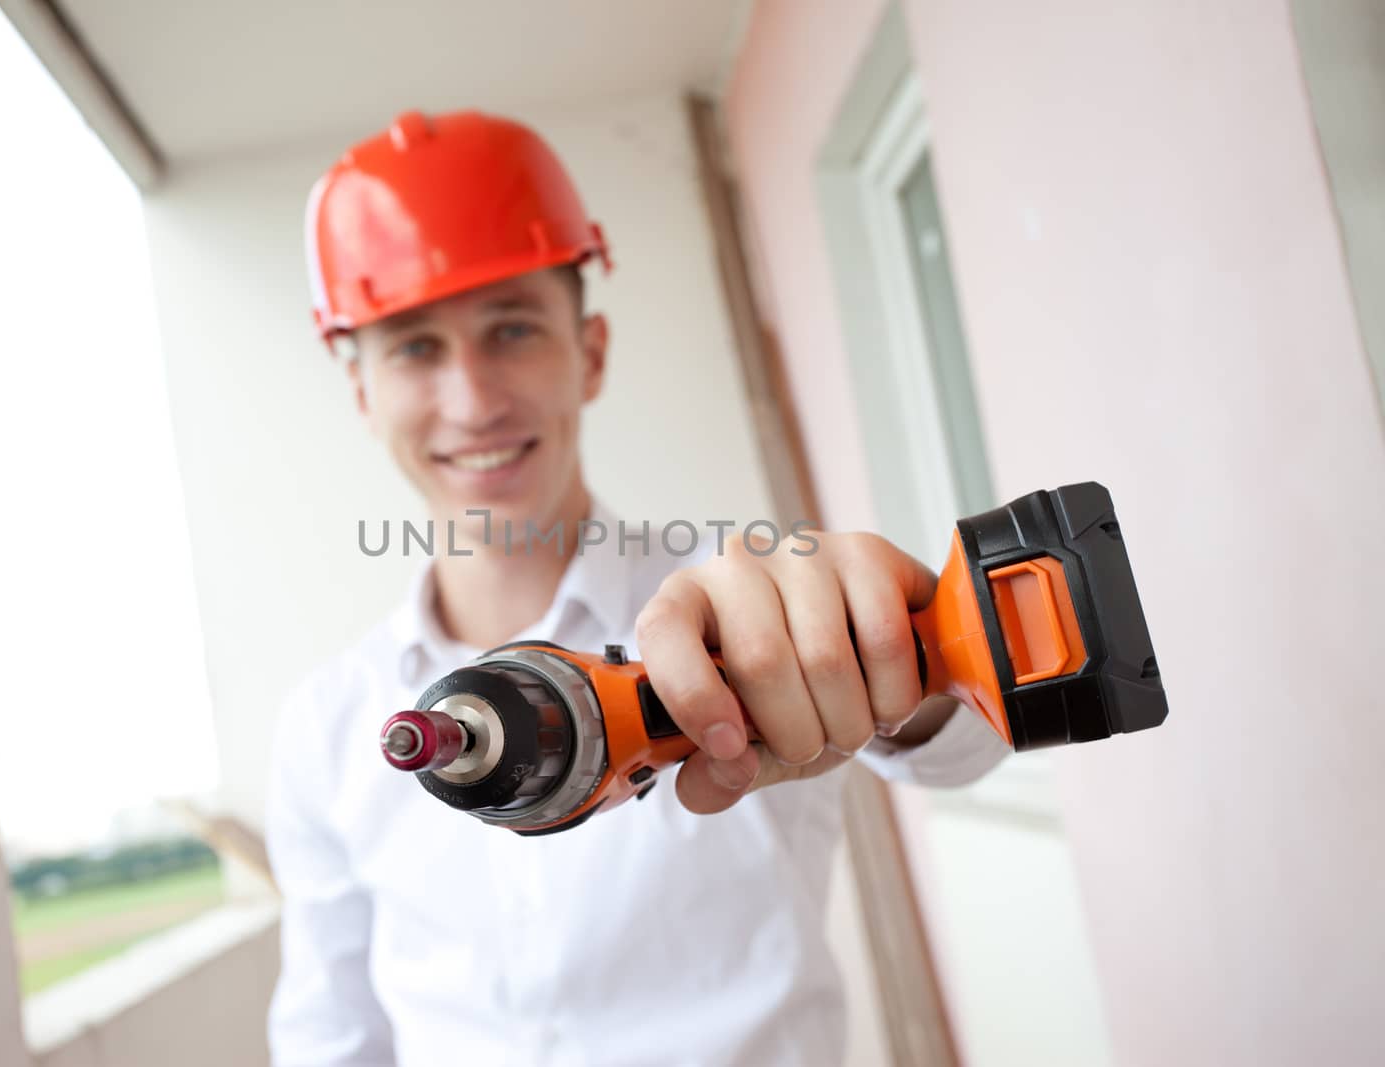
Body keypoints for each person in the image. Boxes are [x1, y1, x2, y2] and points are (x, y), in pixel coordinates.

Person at [267, 110, 1009, 1067]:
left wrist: (907, 655)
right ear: (363, 391)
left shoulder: (746, 597)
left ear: (592, 352)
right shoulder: (324, 727)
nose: (472, 399)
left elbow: (963, 750)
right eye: (414, 347)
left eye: (513, 328)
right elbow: (332, 1037)